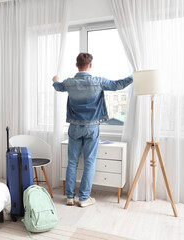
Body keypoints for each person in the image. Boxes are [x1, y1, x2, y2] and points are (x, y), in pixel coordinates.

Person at [52, 53, 133, 207]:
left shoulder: (69, 83)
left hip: (74, 127)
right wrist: (133, 76)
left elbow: (57, 86)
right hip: (92, 128)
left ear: (76, 65)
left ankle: (69, 197)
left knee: (72, 162)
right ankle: (83, 198)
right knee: (89, 162)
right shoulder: (98, 82)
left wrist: (55, 79)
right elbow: (118, 85)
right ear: (90, 65)